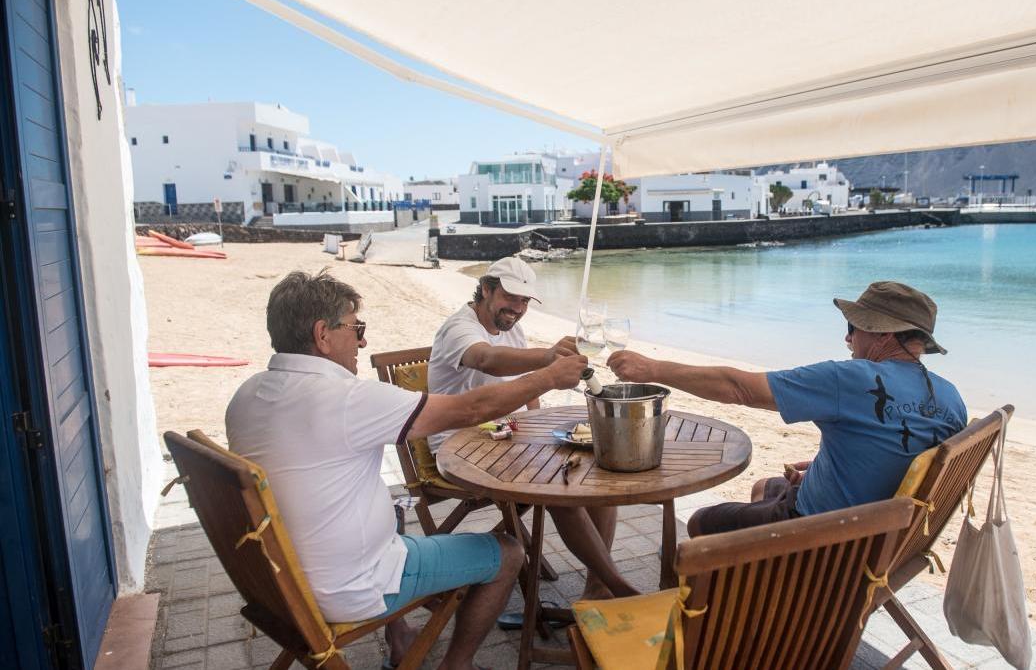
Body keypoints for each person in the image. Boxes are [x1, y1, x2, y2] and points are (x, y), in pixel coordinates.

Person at [226, 270, 587, 670]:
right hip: (349, 586)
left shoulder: (246, 395)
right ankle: (458, 664)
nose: (362, 340)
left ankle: (401, 640)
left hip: (275, 584)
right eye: (355, 327)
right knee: (507, 552)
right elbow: (470, 409)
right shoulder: (346, 399)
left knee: (392, 508)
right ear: (322, 335)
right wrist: (549, 377)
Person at [609, 281, 967, 538]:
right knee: (766, 486)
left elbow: (739, 389)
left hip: (822, 534)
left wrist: (653, 370)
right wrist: (830, 468)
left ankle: (716, 624)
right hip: (886, 535)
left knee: (703, 523)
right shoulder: (951, 397)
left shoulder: (851, 379)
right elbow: (899, 451)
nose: (847, 339)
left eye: (852, 328)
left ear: (883, 334)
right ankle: (762, 587)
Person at [428, 257, 637, 600]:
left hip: (507, 437)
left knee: (597, 468)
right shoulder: (459, 328)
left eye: (525, 301)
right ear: (485, 289)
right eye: (511, 297)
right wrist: (547, 360)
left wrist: (540, 425)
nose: (518, 308)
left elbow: (525, 387)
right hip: (459, 446)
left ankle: (597, 586)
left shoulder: (513, 330)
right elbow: (487, 360)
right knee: (558, 486)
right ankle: (615, 584)